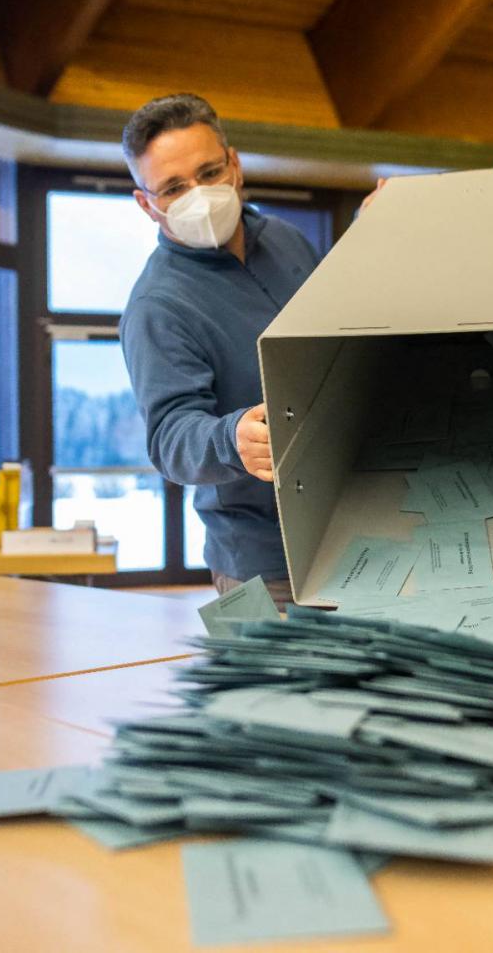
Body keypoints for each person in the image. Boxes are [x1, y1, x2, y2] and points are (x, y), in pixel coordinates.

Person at [119, 93, 322, 607]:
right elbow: (169, 437)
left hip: (351, 527)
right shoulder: (157, 306)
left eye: (209, 172)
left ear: (234, 165)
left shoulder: (287, 241)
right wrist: (231, 438)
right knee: (258, 691)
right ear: (147, 203)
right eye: (173, 188)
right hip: (254, 564)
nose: (199, 195)